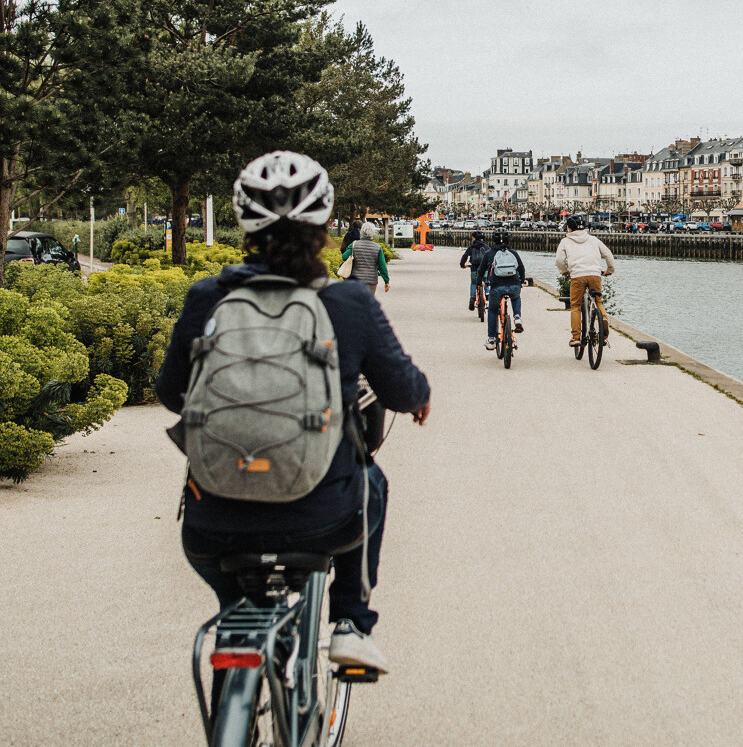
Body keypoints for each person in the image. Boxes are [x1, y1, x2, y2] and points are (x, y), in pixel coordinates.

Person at [155, 151, 431, 674]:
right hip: (322, 518)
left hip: (215, 523)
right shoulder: (350, 304)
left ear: (243, 223)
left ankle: (242, 633)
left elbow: (172, 395)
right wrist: (419, 399)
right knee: (371, 482)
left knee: (235, 603)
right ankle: (349, 622)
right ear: (327, 223)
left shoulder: (206, 298)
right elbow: (401, 387)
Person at [553, 214, 614, 348]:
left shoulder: (565, 241)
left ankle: (576, 337)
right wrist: (609, 270)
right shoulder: (593, 239)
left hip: (577, 276)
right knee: (598, 301)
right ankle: (603, 320)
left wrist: (565, 271)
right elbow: (608, 254)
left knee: (575, 305)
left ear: (569, 228)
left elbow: (559, 260)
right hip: (595, 274)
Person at [476, 228, 524, 350]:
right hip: (514, 285)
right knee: (516, 296)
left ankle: (491, 339)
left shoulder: (489, 253)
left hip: (497, 287)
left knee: (492, 310)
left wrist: (479, 282)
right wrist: (521, 281)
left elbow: (480, 270)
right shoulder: (513, 253)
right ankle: (517, 317)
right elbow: (521, 268)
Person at [342, 223, 390, 295]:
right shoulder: (377, 247)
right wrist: (386, 281)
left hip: (356, 280)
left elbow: (344, 257)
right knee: (368, 302)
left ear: (361, 232)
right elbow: (382, 266)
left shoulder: (354, 245)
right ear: (373, 233)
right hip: (371, 281)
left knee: (356, 302)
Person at [460, 230, 491, 311]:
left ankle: (472, 297)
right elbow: (490, 256)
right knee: (486, 280)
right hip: (484, 268)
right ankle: (488, 296)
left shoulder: (471, 247)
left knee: (474, 283)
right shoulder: (486, 247)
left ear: (474, 238)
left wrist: (462, 265)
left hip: (474, 268)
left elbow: (465, 256)